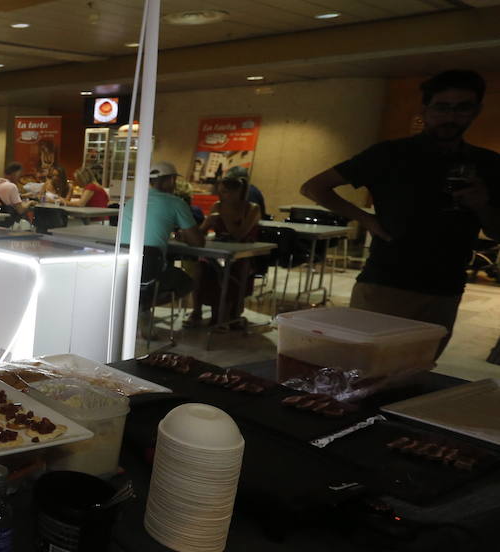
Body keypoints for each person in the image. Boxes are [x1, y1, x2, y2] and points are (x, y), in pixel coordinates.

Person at [300, 69, 500, 351]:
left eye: (462, 108)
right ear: (425, 109)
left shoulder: (488, 164)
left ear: (476, 111)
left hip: (446, 286)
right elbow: (314, 187)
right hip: (386, 280)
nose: (451, 117)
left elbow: (496, 230)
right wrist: (365, 220)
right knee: (363, 367)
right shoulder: (391, 154)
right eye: (442, 107)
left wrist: (483, 205)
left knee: (418, 369)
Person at [118, 160, 205, 297]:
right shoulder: (177, 203)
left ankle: (143, 309)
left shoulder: (132, 201)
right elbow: (198, 242)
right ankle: (147, 305)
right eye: (174, 179)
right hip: (151, 270)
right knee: (188, 281)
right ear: (170, 180)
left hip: (123, 270)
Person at [187, 175, 262, 328]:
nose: (221, 196)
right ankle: (197, 310)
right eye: (220, 192)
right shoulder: (217, 205)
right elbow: (200, 233)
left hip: (243, 255)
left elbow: (239, 235)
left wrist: (224, 217)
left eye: (225, 192)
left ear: (238, 192)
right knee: (201, 268)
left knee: (229, 271)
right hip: (220, 252)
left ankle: (221, 313)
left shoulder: (252, 209)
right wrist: (207, 223)